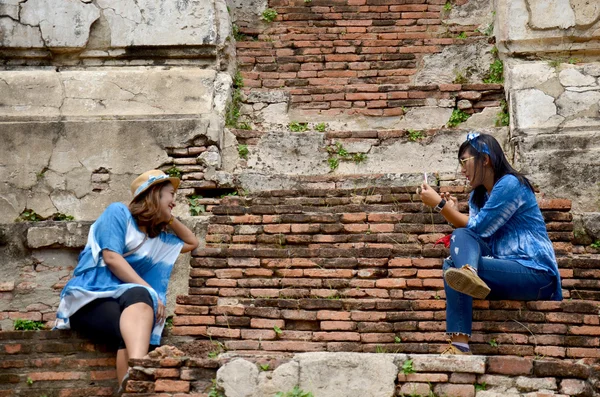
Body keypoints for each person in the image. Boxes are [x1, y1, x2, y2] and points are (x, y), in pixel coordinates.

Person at [417, 132, 562, 355]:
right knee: (453, 262)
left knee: (460, 246)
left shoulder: (510, 184)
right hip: (506, 271)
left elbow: (479, 227)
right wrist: (452, 212)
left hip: (536, 273)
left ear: (485, 159)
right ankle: (459, 346)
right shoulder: (479, 196)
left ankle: (469, 272)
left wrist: (441, 206)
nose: (462, 170)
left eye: (465, 162)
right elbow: (476, 236)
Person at [54, 170, 199, 390]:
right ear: (155, 193)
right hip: (89, 298)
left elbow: (191, 242)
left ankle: (132, 382)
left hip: (124, 303)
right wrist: (150, 290)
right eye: (170, 194)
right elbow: (111, 258)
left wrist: (168, 217)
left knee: (131, 331)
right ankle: (139, 372)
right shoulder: (118, 213)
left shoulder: (155, 238)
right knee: (141, 297)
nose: (174, 202)